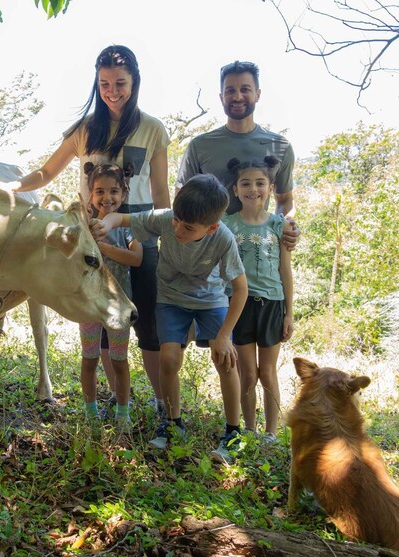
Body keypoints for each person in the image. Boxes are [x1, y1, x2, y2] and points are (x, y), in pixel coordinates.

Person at [0, 45, 170, 414]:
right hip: (94, 239)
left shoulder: (152, 129)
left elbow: (162, 192)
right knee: (100, 320)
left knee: (147, 323)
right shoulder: (85, 130)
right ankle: (119, 403)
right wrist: (10, 186)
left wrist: (168, 240)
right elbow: (46, 172)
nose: (112, 91)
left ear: (134, 82)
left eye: (120, 82)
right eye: (104, 83)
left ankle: (163, 405)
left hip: (140, 237)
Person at [92, 174, 248, 464]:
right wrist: (105, 224)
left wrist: (225, 335)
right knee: (168, 359)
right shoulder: (166, 218)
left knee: (225, 358)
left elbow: (240, 288)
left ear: (211, 227)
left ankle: (233, 431)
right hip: (171, 299)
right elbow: (120, 220)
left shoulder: (223, 238)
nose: (177, 229)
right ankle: (173, 423)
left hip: (210, 300)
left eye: (188, 227)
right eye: (176, 220)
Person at [176, 60, 299, 248]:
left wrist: (287, 225)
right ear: (221, 97)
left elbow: (284, 200)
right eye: (230, 91)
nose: (238, 96)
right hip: (207, 250)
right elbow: (180, 199)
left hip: (257, 250)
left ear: (257, 94)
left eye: (245, 89)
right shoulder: (200, 146)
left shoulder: (280, 147)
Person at [221, 156, 294, 440]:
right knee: (247, 374)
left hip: (272, 304)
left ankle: (271, 432)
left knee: (268, 373)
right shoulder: (227, 224)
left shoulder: (279, 225)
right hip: (238, 305)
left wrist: (289, 312)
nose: (254, 189)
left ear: (271, 188)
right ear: (235, 190)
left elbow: (285, 271)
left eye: (260, 183)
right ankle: (249, 429)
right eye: (246, 183)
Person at [78, 162, 143, 428]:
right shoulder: (84, 226)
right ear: (91, 195)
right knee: (89, 357)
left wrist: (102, 248)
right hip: (89, 305)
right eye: (100, 191)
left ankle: (123, 413)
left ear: (124, 194)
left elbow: (136, 258)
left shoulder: (128, 227)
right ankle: (91, 412)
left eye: (114, 191)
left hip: (119, 306)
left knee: (119, 360)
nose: (107, 197)